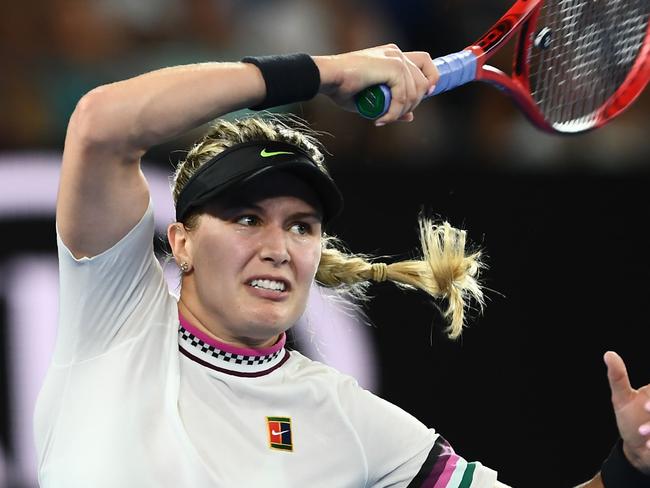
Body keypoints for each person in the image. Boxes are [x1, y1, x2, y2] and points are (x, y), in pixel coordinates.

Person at [34, 44, 649, 487]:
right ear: (182, 243)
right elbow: (100, 125)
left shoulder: (351, 420)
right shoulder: (114, 321)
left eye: (300, 225)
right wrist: (325, 72)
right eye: (247, 217)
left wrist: (629, 467)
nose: (277, 245)